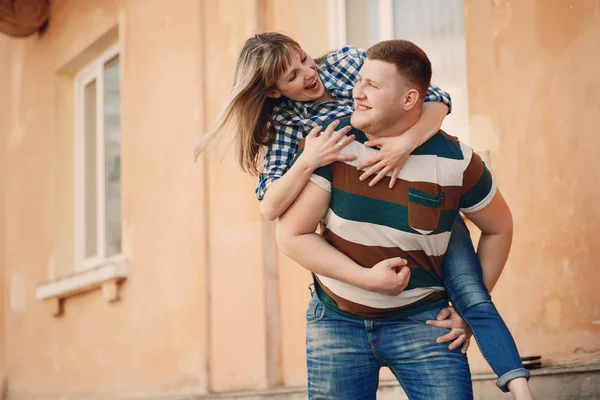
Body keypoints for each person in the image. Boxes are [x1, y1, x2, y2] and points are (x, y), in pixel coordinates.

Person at [193, 32, 531, 396]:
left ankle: (518, 383)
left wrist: (405, 143)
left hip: (422, 311)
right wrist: (309, 159)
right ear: (274, 92)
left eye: (305, 59)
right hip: (337, 317)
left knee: (472, 294)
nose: (309, 73)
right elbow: (271, 208)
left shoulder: (343, 64)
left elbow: (434, 100)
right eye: (292, 76)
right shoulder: (291, 128)